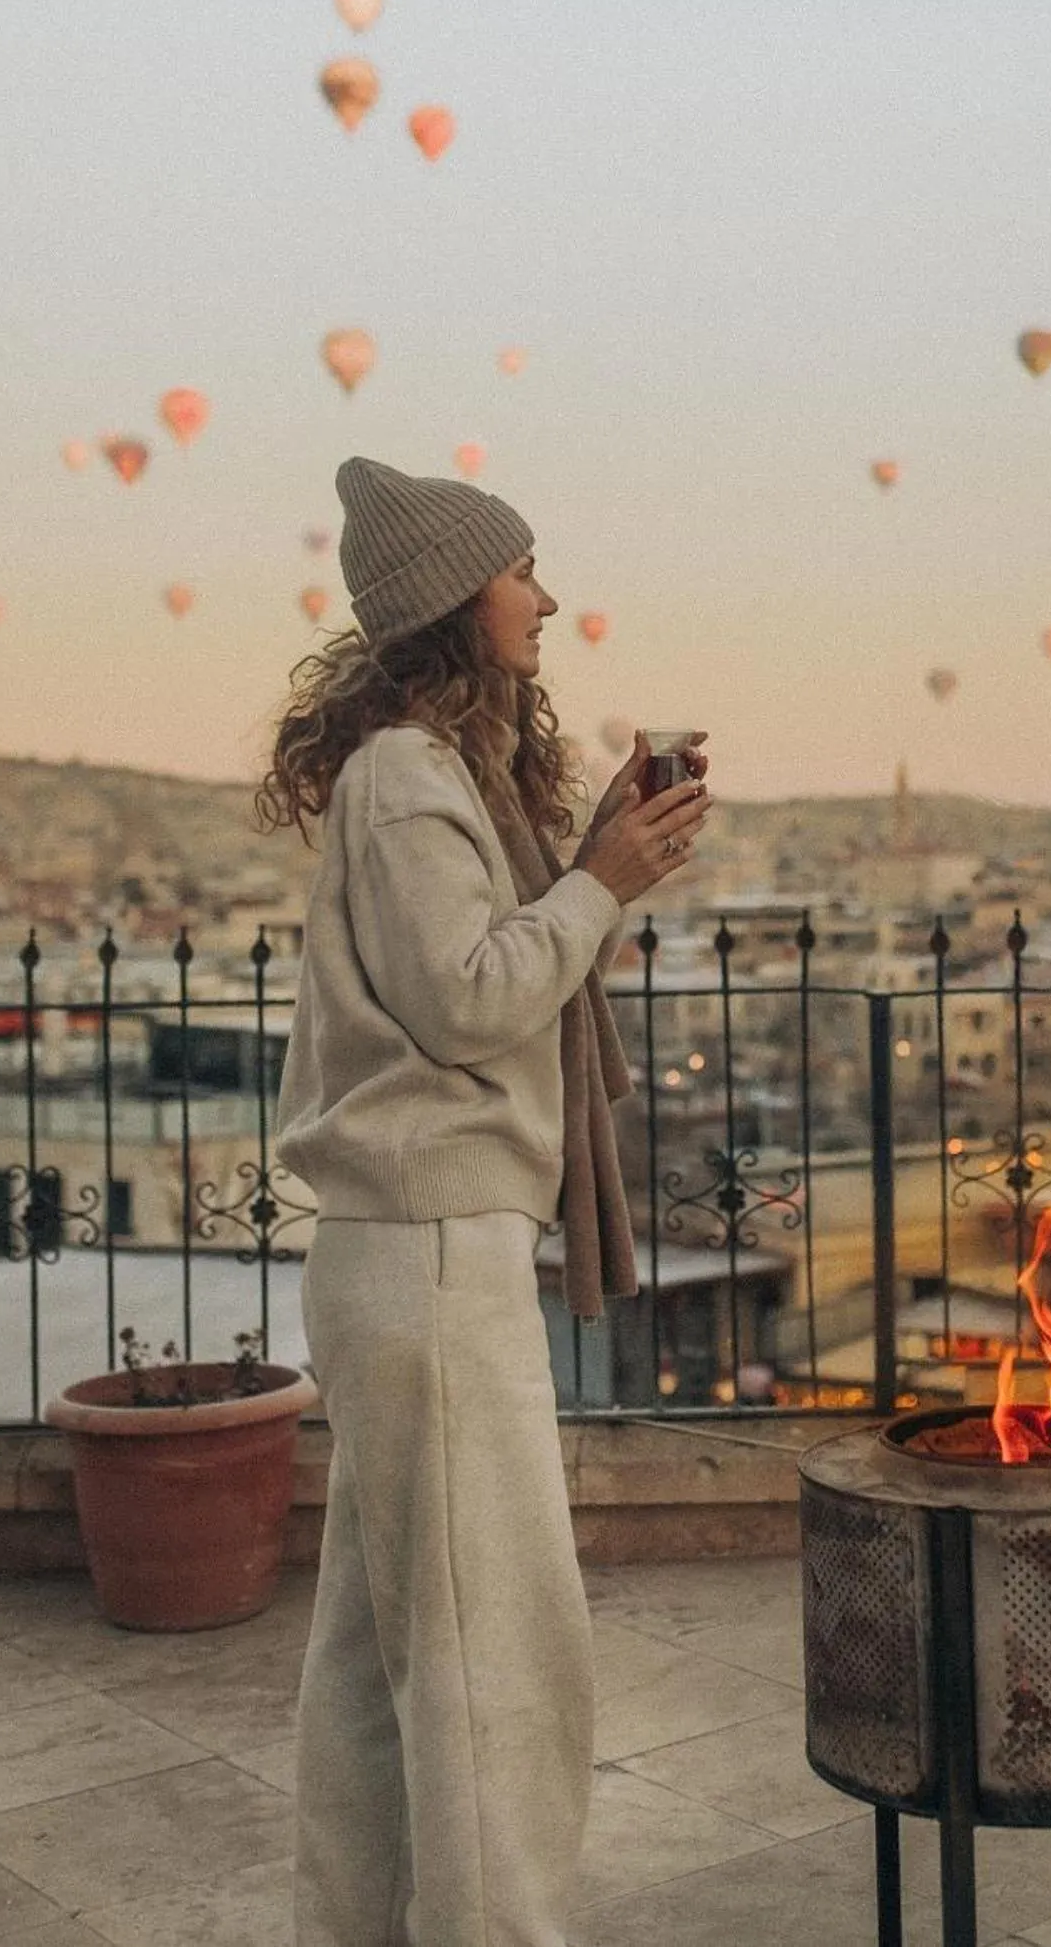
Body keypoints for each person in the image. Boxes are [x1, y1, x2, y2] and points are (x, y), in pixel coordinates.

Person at [256, 454, 710, 1946]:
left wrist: (588, 869)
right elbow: (466, 999)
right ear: (458, 599)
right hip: (431, 1260)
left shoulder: (426, 773)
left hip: (419, 1258)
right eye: (522, 571)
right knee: (494, 1664)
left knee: (388, 1658)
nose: (548, 597)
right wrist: (602, 885)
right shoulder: (406, 777)